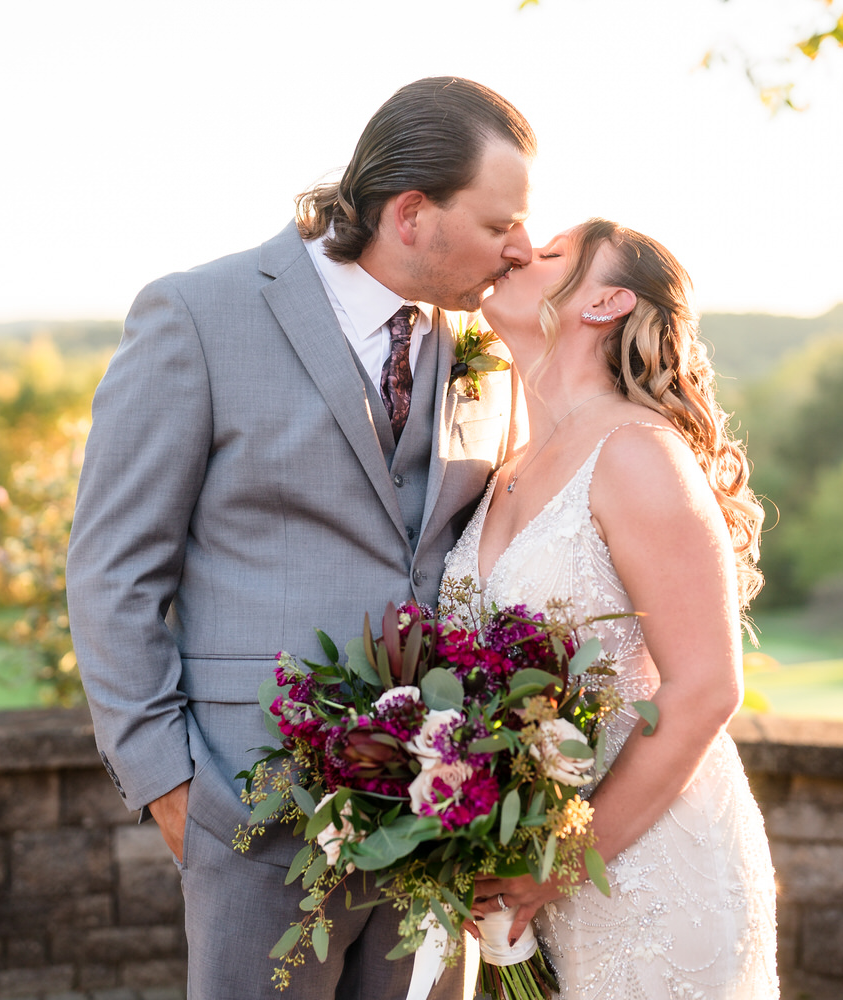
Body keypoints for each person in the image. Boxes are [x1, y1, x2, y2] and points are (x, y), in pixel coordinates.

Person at [65, 78, 535, 1000]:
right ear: (411, 214)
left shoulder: (492, 354)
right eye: (499, 224)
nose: (521, 248)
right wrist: (171, 786)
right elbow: (113, 572)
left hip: (442, 820)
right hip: (254, 805)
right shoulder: (198, 315)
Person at [445, 219, 779, 998]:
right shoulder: (509, 467)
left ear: (607, 303)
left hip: (651, 867)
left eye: (554, 253)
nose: (521, 250)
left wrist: (554, 870)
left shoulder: (636, 452)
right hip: (532, 875)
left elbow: (705, 689)